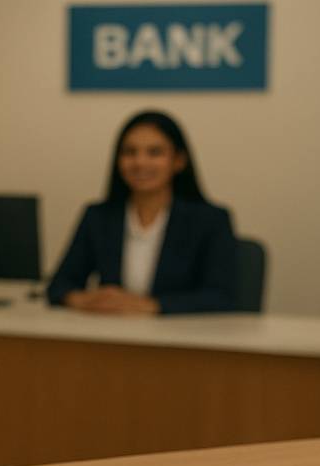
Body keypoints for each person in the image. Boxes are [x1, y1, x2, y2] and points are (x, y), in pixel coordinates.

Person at [46, 111, 237, 314]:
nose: (140, 162)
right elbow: (59, 285)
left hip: (180, 332)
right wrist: (84, 300)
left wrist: (152, 305)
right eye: (129, 152)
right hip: (111, 329)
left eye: (154, 152)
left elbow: (221, 297)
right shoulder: (99, 216)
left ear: (179, 161)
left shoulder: (210, 220)